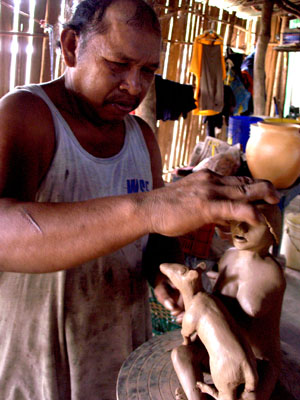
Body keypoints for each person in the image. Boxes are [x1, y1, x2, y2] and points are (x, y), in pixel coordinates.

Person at [0, 0, 279, 399]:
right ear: (70, 46)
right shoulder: (27, 115)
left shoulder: (140, 137)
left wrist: (164, 273)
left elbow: (152, 237)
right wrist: (151, 206)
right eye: (117, 64)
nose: (135, 85)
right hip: (36, 355)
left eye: (148, 70)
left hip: (116, 343)